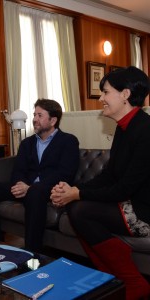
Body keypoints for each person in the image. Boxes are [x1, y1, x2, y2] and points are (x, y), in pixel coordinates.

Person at [50, 66, 150, 300]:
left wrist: (77, 195)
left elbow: (124, 188)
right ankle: (110, 278)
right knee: (76, 208)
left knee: (80, 210)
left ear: (125, 95)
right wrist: (74, 189)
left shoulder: (145, 130)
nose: (101, 98)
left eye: (105, 92)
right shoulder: (124, 128)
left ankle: (132, 282)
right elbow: (109, 176)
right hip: (129, 202)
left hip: (144, 211)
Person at [0, 99, 79, 251]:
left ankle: (32, 252)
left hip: (48, 189)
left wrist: (31, 187)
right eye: (34, 115)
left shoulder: (68, 141)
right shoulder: (27, 143)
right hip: (26, 187)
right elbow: (19, 169)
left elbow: (65, 173)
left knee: (35, 192)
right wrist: (20, 185)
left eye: (39, 115)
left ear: (53, 120)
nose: (34, 119)